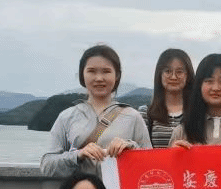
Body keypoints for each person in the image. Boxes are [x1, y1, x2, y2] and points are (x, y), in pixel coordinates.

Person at [41, 44, 151, 176]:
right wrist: (77, 155)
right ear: (82, 75)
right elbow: (47, 166)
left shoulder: (133, 116)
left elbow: (151, 165)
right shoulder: (67, 117)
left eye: (106, 71)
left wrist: (131, 148)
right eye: (92, 71)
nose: (99, 78)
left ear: (117, 75)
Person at [139, 48, 194, 148]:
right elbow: (140, 150)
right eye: (168, 71)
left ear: (188, 75)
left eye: (179, 72)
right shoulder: (146, 113)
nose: (173, 77)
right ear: (160, 74)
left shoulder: (198, 112)